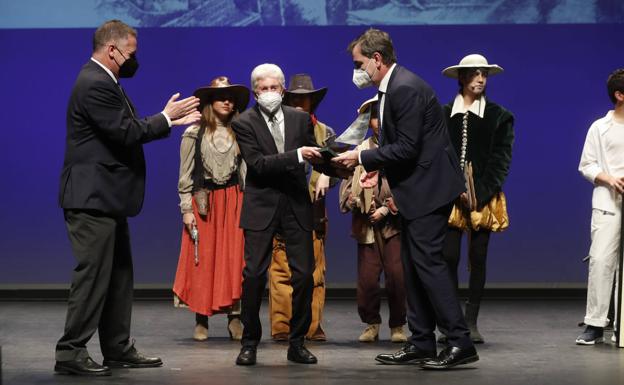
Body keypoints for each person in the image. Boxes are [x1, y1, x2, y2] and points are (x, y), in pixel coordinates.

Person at [55, 19, 200, 376]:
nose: (134, 59)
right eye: (131, 53)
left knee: (119, 275)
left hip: (107, 198)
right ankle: (70, 352)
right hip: (91, 198)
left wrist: (163, 119)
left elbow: (127, 127)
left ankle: (116, 348)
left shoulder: (107, 81)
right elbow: (125, 132)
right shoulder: (93, 83)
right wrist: (167, 118)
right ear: (112, 50)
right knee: (94, 275)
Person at [333, 28, 478, 369]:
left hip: (429, 190)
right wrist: (364, 161)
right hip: (415, 189)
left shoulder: (405, 89)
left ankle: (460, 342)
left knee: (428, 266)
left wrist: (361, 158)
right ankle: (422, 341)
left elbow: (408, 148)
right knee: (412, 269)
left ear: (377, 59)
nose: (357, 70)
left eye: (359, 63)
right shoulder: (389, 90)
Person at [231, 63, 335, 366]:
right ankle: (249, 342)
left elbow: (316, 153)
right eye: (262, 89)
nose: (269, 93)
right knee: (253, 276)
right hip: (261, 206)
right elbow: (259, 164)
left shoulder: (299, 119)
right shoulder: (244, 122)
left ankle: (297, 342)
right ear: (254, 92)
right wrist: (299, 155)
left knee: (303, 275)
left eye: (274, 88)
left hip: (295, 205)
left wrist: (337, 162)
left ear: (283, 90)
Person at [438, 54, 514, 344]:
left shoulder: (499, 116)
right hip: (451, 196)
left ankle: (471, 321)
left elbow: (500, 160)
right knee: (448, 257)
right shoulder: (445, 114)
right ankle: (451, 319)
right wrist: (454, 188)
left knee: (478, 257)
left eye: (484, 74)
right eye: (474, 73)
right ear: (462, 78)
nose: (480, 78)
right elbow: (439, 155)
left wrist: (478, 193)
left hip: (483, 198)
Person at [173, 77, 250, 342]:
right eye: (221, 97)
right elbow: (185, 174)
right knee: (202, 258)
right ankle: (201, 319)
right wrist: (186, 209)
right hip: (204, 202)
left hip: (234, 201)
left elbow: (246, 171)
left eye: (231, 98)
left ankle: (235, 318)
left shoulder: (241, 131)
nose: (227, 102)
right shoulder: (193, 134)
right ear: (210, 102)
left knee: (234, 259)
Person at [269, 73, 334, 342]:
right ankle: (283, 325)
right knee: (281, 268)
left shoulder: (324, 132)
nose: (298, 104)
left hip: (312, 209)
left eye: (303, 99)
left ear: (311, 102)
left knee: (314, 271)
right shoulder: (275, 130)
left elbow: (333, 162)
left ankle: (312, 325)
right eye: (293, 98)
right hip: (283, 205)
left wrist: (327, 174)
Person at [338, 95, 407, 343]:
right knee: (367, 279)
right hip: (366, 224)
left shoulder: (400, 149)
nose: (380, 122)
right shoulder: (359, 151)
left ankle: (398, 325)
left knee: (397, 276)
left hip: (392, 224)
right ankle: (371, 323)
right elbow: (346, 188)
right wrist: (355, 201)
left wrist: (387, 209)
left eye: (384, 115)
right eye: (375, 117)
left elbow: (407, 186)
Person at [576, 68, 624, 345]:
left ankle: (622, 322)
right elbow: (587, 164)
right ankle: (595, 322)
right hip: (608, 201)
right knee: (602, 260)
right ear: (619, 95)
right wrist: (607, 178)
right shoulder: (599, 127)